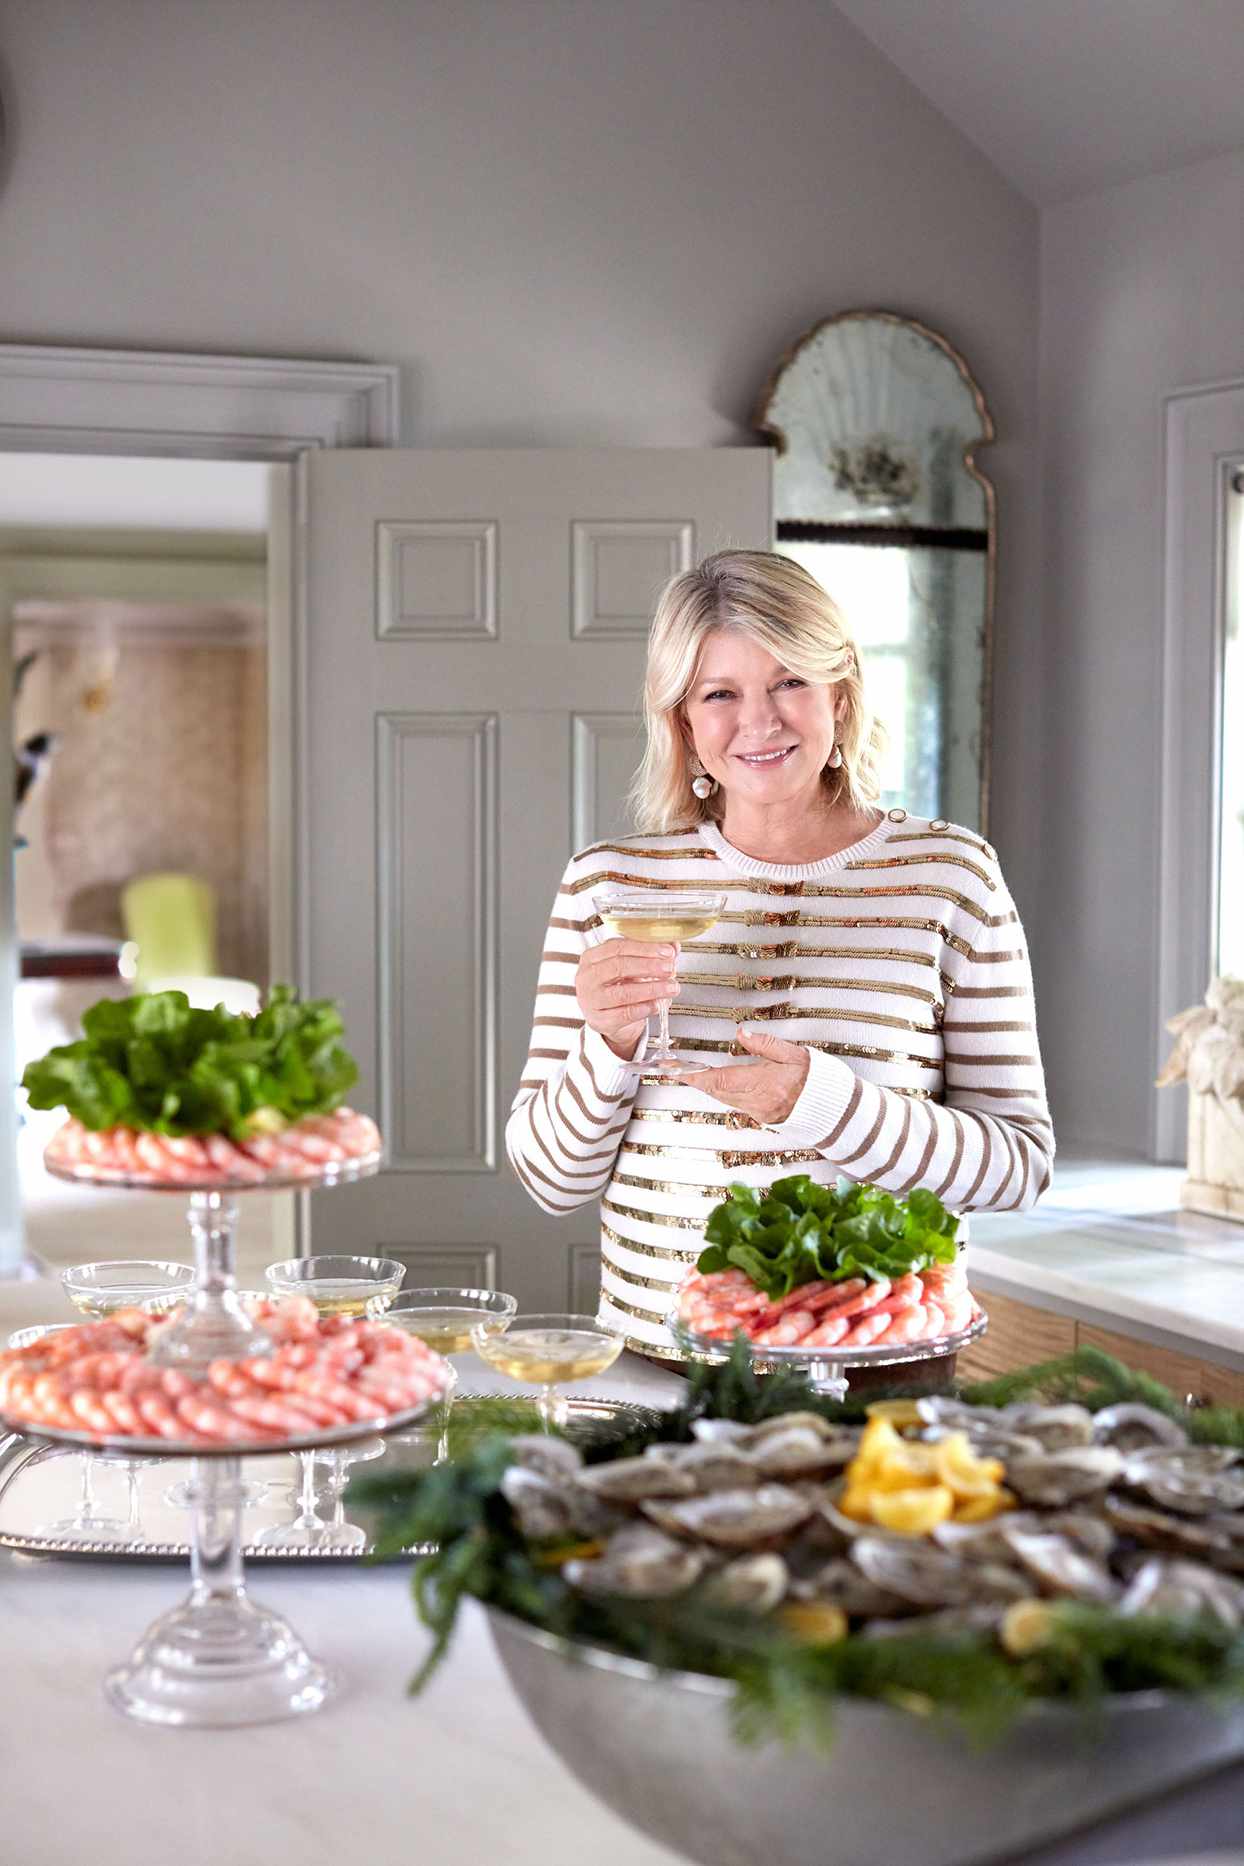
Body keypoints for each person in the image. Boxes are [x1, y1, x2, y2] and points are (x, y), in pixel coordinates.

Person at [506, 550, 1054, 1361]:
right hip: (658, 1376)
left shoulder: (951, 876)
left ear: (841, 693)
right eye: (719, 693)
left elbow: (1018, 1168)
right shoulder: (610, 886)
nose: (758, 721)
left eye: (789, 681)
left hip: (875, 1371)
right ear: (683, 722)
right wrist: (608, 1045)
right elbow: (552, 1182)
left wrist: (825, 1104)